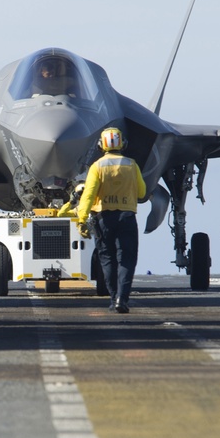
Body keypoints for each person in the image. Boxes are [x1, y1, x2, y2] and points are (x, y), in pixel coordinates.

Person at [76, 128, 146, 314]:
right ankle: (122, 299)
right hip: (127, 217)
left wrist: (81, 219)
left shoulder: (97, 167)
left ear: (101, 145)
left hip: (103, 219)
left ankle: (113, 297)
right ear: (122, 144)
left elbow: (88, 195)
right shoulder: (132, 165)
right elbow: (141, 192)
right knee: (127, 259)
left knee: (107, 259)